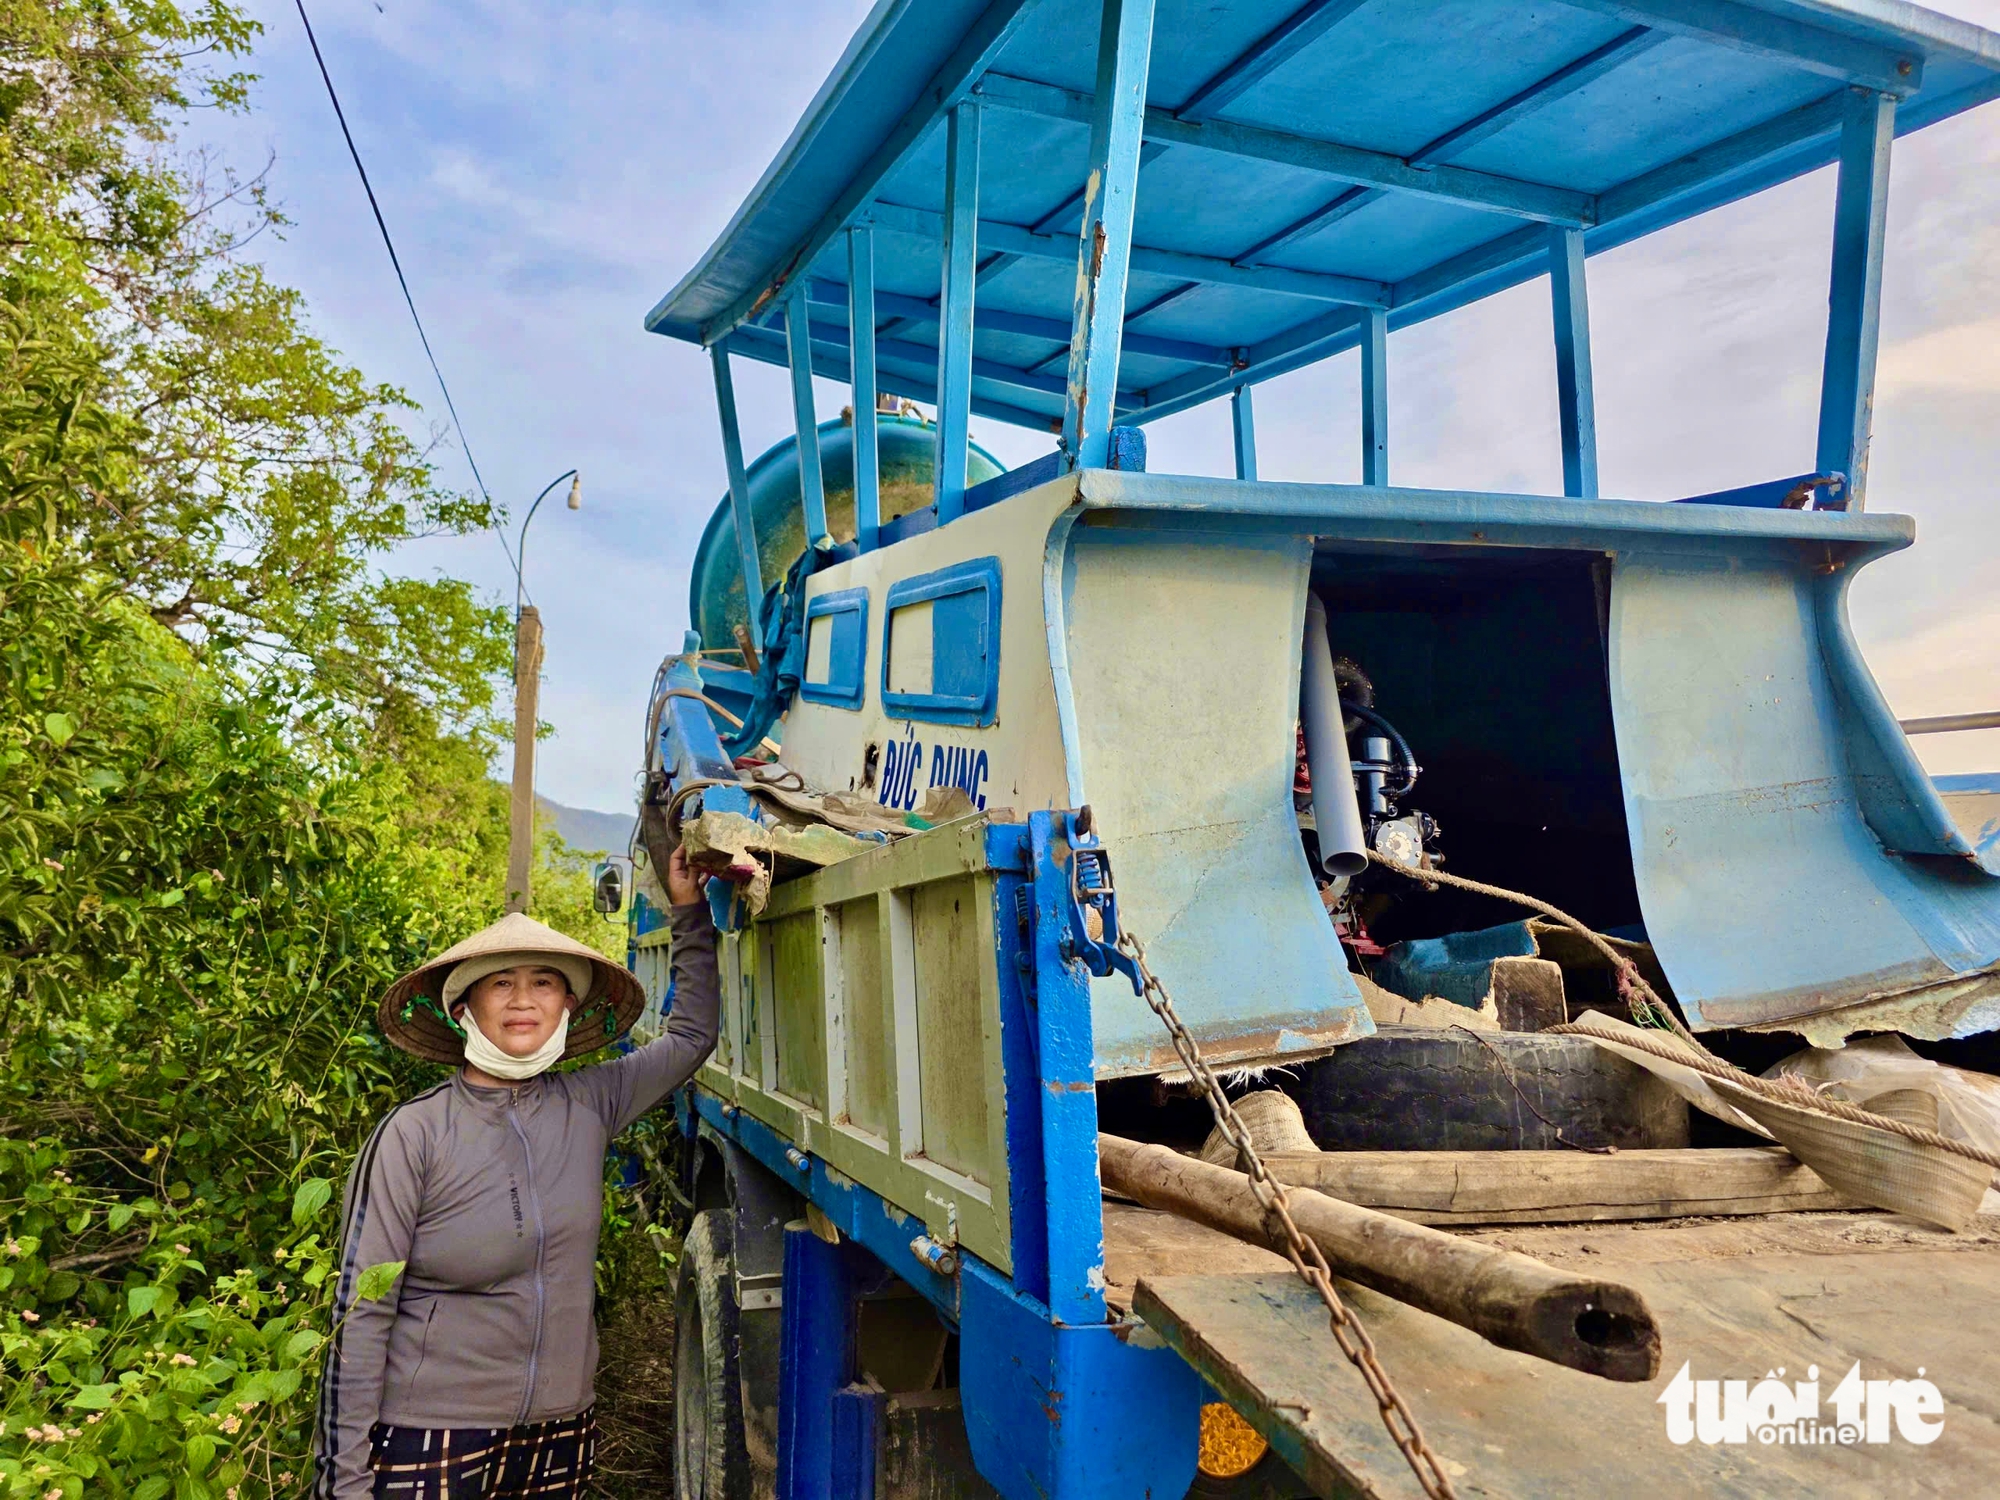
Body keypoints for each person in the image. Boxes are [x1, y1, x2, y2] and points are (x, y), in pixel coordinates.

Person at [312, 845, 716, 1499]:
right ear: (463, 1008)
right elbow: (359, 1315)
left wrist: (690, 910)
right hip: (429, 1439)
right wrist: (344, 1483)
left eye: (544, 982)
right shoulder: (414, 1134)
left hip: (558, 1438)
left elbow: (693, 1036)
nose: (523, 1000)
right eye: (500, 982)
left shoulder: (590, 1102)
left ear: (568, 1006)